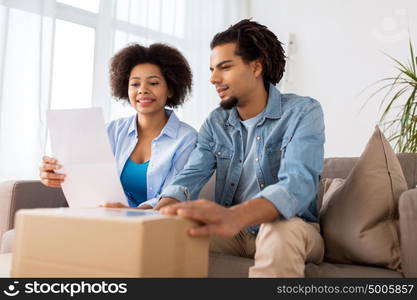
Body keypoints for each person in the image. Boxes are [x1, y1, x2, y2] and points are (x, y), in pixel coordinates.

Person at [155, 19, 326, 277]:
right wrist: (155, 215)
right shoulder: (216, 122)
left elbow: (298, 184)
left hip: (293, 227)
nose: (213, 78)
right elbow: (188, 179)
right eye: (212, 69)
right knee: (170, 234)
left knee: (279, 230)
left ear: (256, 66)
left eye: (224, 67)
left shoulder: (303, 112)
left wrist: (236, 215)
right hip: (234, 234)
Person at [40, 43, 197, 209]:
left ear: (171, 89)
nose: (142, 90)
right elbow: (86, 175)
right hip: (106, 219)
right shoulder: (112, 131)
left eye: (153, 83)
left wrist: (133, 212)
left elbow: (175, 195)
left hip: (157, 224)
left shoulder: (187, 138)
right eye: (135, 84)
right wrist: (57, 174)